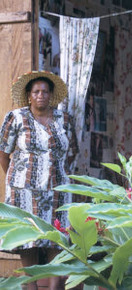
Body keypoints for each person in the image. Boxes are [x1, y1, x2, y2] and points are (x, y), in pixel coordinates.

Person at [0, 71, 78, 289]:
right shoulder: (16, 118)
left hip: (58, 190)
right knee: (28, 241)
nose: (41, 95)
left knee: (58, 238)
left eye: (45, 91)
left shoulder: (65, 119)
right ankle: (30, 286)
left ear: (51, 94)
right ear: (29, 95)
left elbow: (72, 152)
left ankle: (55, 287)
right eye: (36, 91)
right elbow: (3, 153)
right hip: (23, 190)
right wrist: (18, 179)